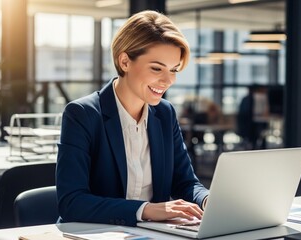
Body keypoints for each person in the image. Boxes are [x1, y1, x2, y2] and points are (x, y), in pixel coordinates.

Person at [56, 10, 209, 227]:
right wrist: (145, 210)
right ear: (125, 61)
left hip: (153, 234)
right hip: (94, 233)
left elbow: (184, 181)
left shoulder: (165, 114)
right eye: (157, 68)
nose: (168, 80)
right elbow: (72, 202)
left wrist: (206, 199)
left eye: (173, 70)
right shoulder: (82, 114)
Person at [236, 84, 269, 149]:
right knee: (260, 134)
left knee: (259, 135)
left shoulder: (246, 98)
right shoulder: (258, 97)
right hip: (251, 124)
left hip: (250, 124)